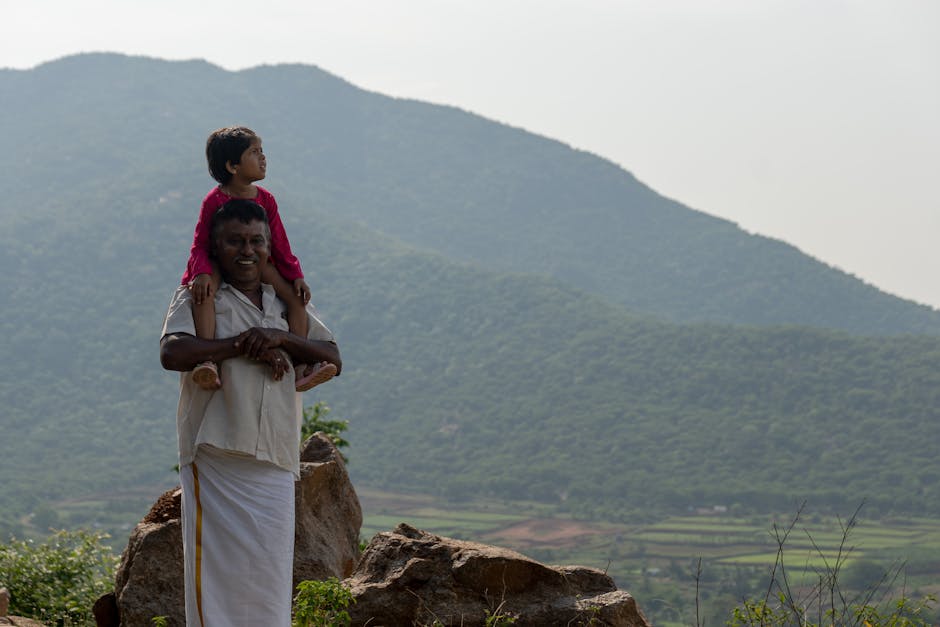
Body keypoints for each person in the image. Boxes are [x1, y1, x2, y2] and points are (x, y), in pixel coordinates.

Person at [161, 199, 342, 625]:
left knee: (269, 578)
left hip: (277, 457)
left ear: (269, 247)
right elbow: (174, 351)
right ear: (216, 246)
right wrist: (244, 343)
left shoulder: (285, 301)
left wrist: (276, 339)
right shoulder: (199, 293)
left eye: (256, 241)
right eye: (235, 242)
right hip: (217, 452)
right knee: (216, 584)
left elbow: (332, 353)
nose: (247, 251)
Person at [181, 125, 332, 391]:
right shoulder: (214, 201)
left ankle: (300, 366)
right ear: (232, 165)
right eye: (254, 152)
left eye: (262, 151)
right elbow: (200, 243)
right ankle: (206, 361)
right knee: (203, 294)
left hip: (258, 265)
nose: (263, 158)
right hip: (218, 263)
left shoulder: (267, 200)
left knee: (296, 300)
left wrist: (296, 276)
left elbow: (280, 244)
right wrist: (201, 272)